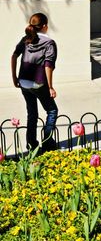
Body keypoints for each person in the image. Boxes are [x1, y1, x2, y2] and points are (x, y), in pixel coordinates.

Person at [11, 13, 59, 153]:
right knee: (52, 110)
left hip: (24, 82)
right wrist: (50, 86)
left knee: (32, 113)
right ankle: (48, 142)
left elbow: (14, 55)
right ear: (44, 26)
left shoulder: (26, 39)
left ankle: (32, 145)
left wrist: (15, 77)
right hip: (38, 83)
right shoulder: (49, 43)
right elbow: (48, 66)